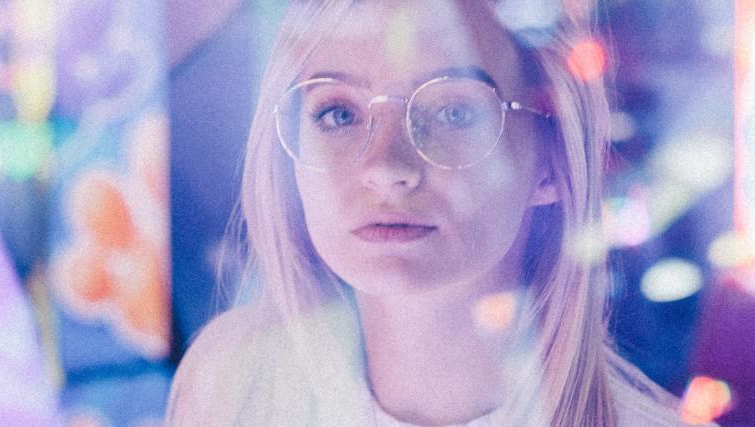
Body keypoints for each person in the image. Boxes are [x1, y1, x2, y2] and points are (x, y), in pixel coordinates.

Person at [166, 0, 692, 425]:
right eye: (339, 113)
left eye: (454, 112)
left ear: (550, 163)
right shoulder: (230, 383)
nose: (386, 168)